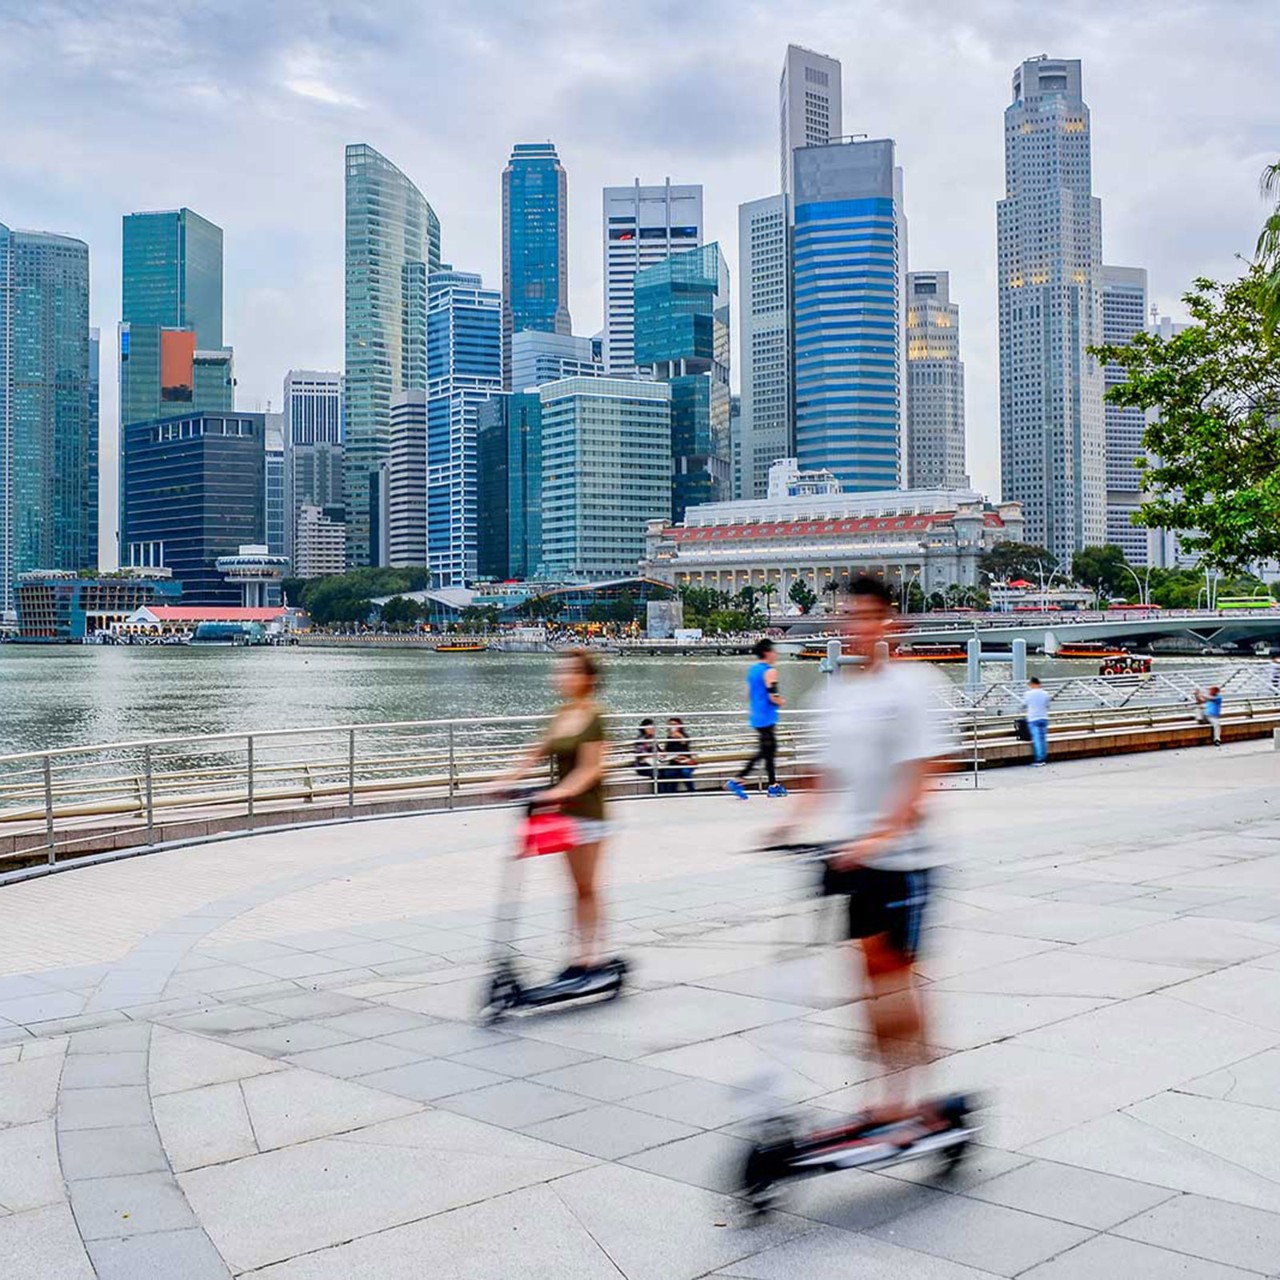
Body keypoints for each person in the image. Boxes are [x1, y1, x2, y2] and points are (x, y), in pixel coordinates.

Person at [772, 575, 954, 1133]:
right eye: (849, 615)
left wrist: (883, 834)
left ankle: (917, 1099)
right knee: (869, 984)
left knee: (896, 981)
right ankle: (883, 1099)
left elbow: (926, 774)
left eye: (868, 616)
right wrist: (791, 824)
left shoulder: (915, 686)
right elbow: (822, 777)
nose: (857, 626)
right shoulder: (835, 696)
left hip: (906, 861)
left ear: (890, 623)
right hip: (855, 861)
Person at [500, 649, 610, 977]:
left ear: (588, 678)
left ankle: (590, 956)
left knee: (586, 887)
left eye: (572, 672)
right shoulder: (561, 714)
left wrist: (560, 792)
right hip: (563, 814)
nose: (563, 677)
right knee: (573, 886)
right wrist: (507, 779)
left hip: (589, 814)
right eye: (562, 671)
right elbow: (536, 751)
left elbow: (591, 768)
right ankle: (578, 955)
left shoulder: (595, 717)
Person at [727, 638, 786, 799]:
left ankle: (773, 785)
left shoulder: (753, 670)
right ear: (767, 653)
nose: (776, 654)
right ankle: (737, 779)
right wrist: (781, 701)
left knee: (768, 751)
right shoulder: (770, 671)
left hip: (756, 715)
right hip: (767, 716)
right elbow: (773, 695)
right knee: (765, 751)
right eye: (774, 651)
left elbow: (747, 694)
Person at [661, 716, 696, 793]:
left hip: (685, 762)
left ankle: (692, 791)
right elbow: (666, 751)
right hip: (674, 762)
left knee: (685, 772)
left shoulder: (684, 736)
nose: (672, 727)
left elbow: (685, 742)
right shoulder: (669, 738)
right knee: (669, 774)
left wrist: (679, 735)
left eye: (674, 725)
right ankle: (672, 793)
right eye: (670, 725)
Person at [1023, 677, 1051, 767]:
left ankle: (1039, 759)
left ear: (1032, 684)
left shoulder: (1028, 694)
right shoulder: (1045, 694)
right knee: (1043, 739)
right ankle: (1044, 757)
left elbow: (1024, 704)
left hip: (1033, 718)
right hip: (1044, 717)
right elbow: (1047, 705)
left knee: (1037, 739)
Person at [632, 718, 662, 787]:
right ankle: (659, 791)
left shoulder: (653, 738)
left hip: (654, 763)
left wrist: (662, 754)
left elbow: (658, 750)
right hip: (643, 766)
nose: (652, 730)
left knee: (666, 773)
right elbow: (641, 754)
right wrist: (653, 755)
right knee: (658, 774)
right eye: (650, 728)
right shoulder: (641, 740)